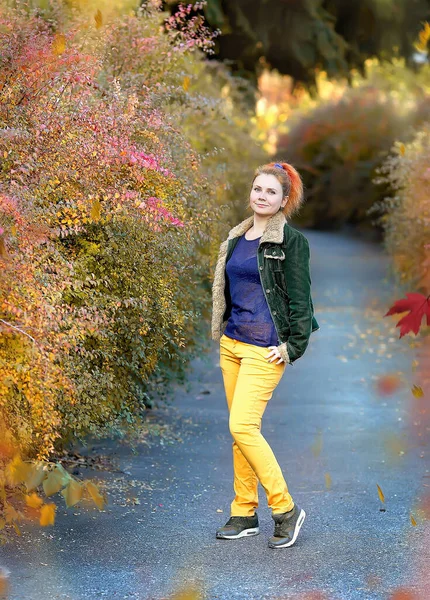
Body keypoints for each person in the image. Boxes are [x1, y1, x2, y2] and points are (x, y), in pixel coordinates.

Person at [211, 161, 319, 549]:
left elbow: (301, 301)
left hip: (265, 349)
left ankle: (285, 509)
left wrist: (292, 346)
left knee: (243, 426)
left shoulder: (292, 243)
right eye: (258, 188)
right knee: (238, 433)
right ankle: (243, 512)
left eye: (271, 191)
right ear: (251, 192)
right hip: (233, 344)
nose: (262, 196)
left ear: (284, 200)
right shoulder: (236, 238)